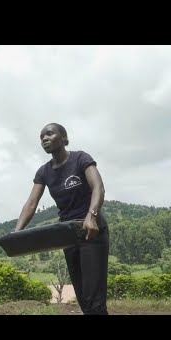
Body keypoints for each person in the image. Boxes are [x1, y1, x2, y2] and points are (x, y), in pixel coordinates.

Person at [14, 123, 109, 315]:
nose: (44, 139)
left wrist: (91, 215)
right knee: (83, 298)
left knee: (94, 300)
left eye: (49, 134)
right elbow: (31, 203)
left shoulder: (81, 158)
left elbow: (98, 186)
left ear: (64, 139)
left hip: (91, 230)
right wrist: (17, 233)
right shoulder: (44, 172)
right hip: (68, 235)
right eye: (41, 137)